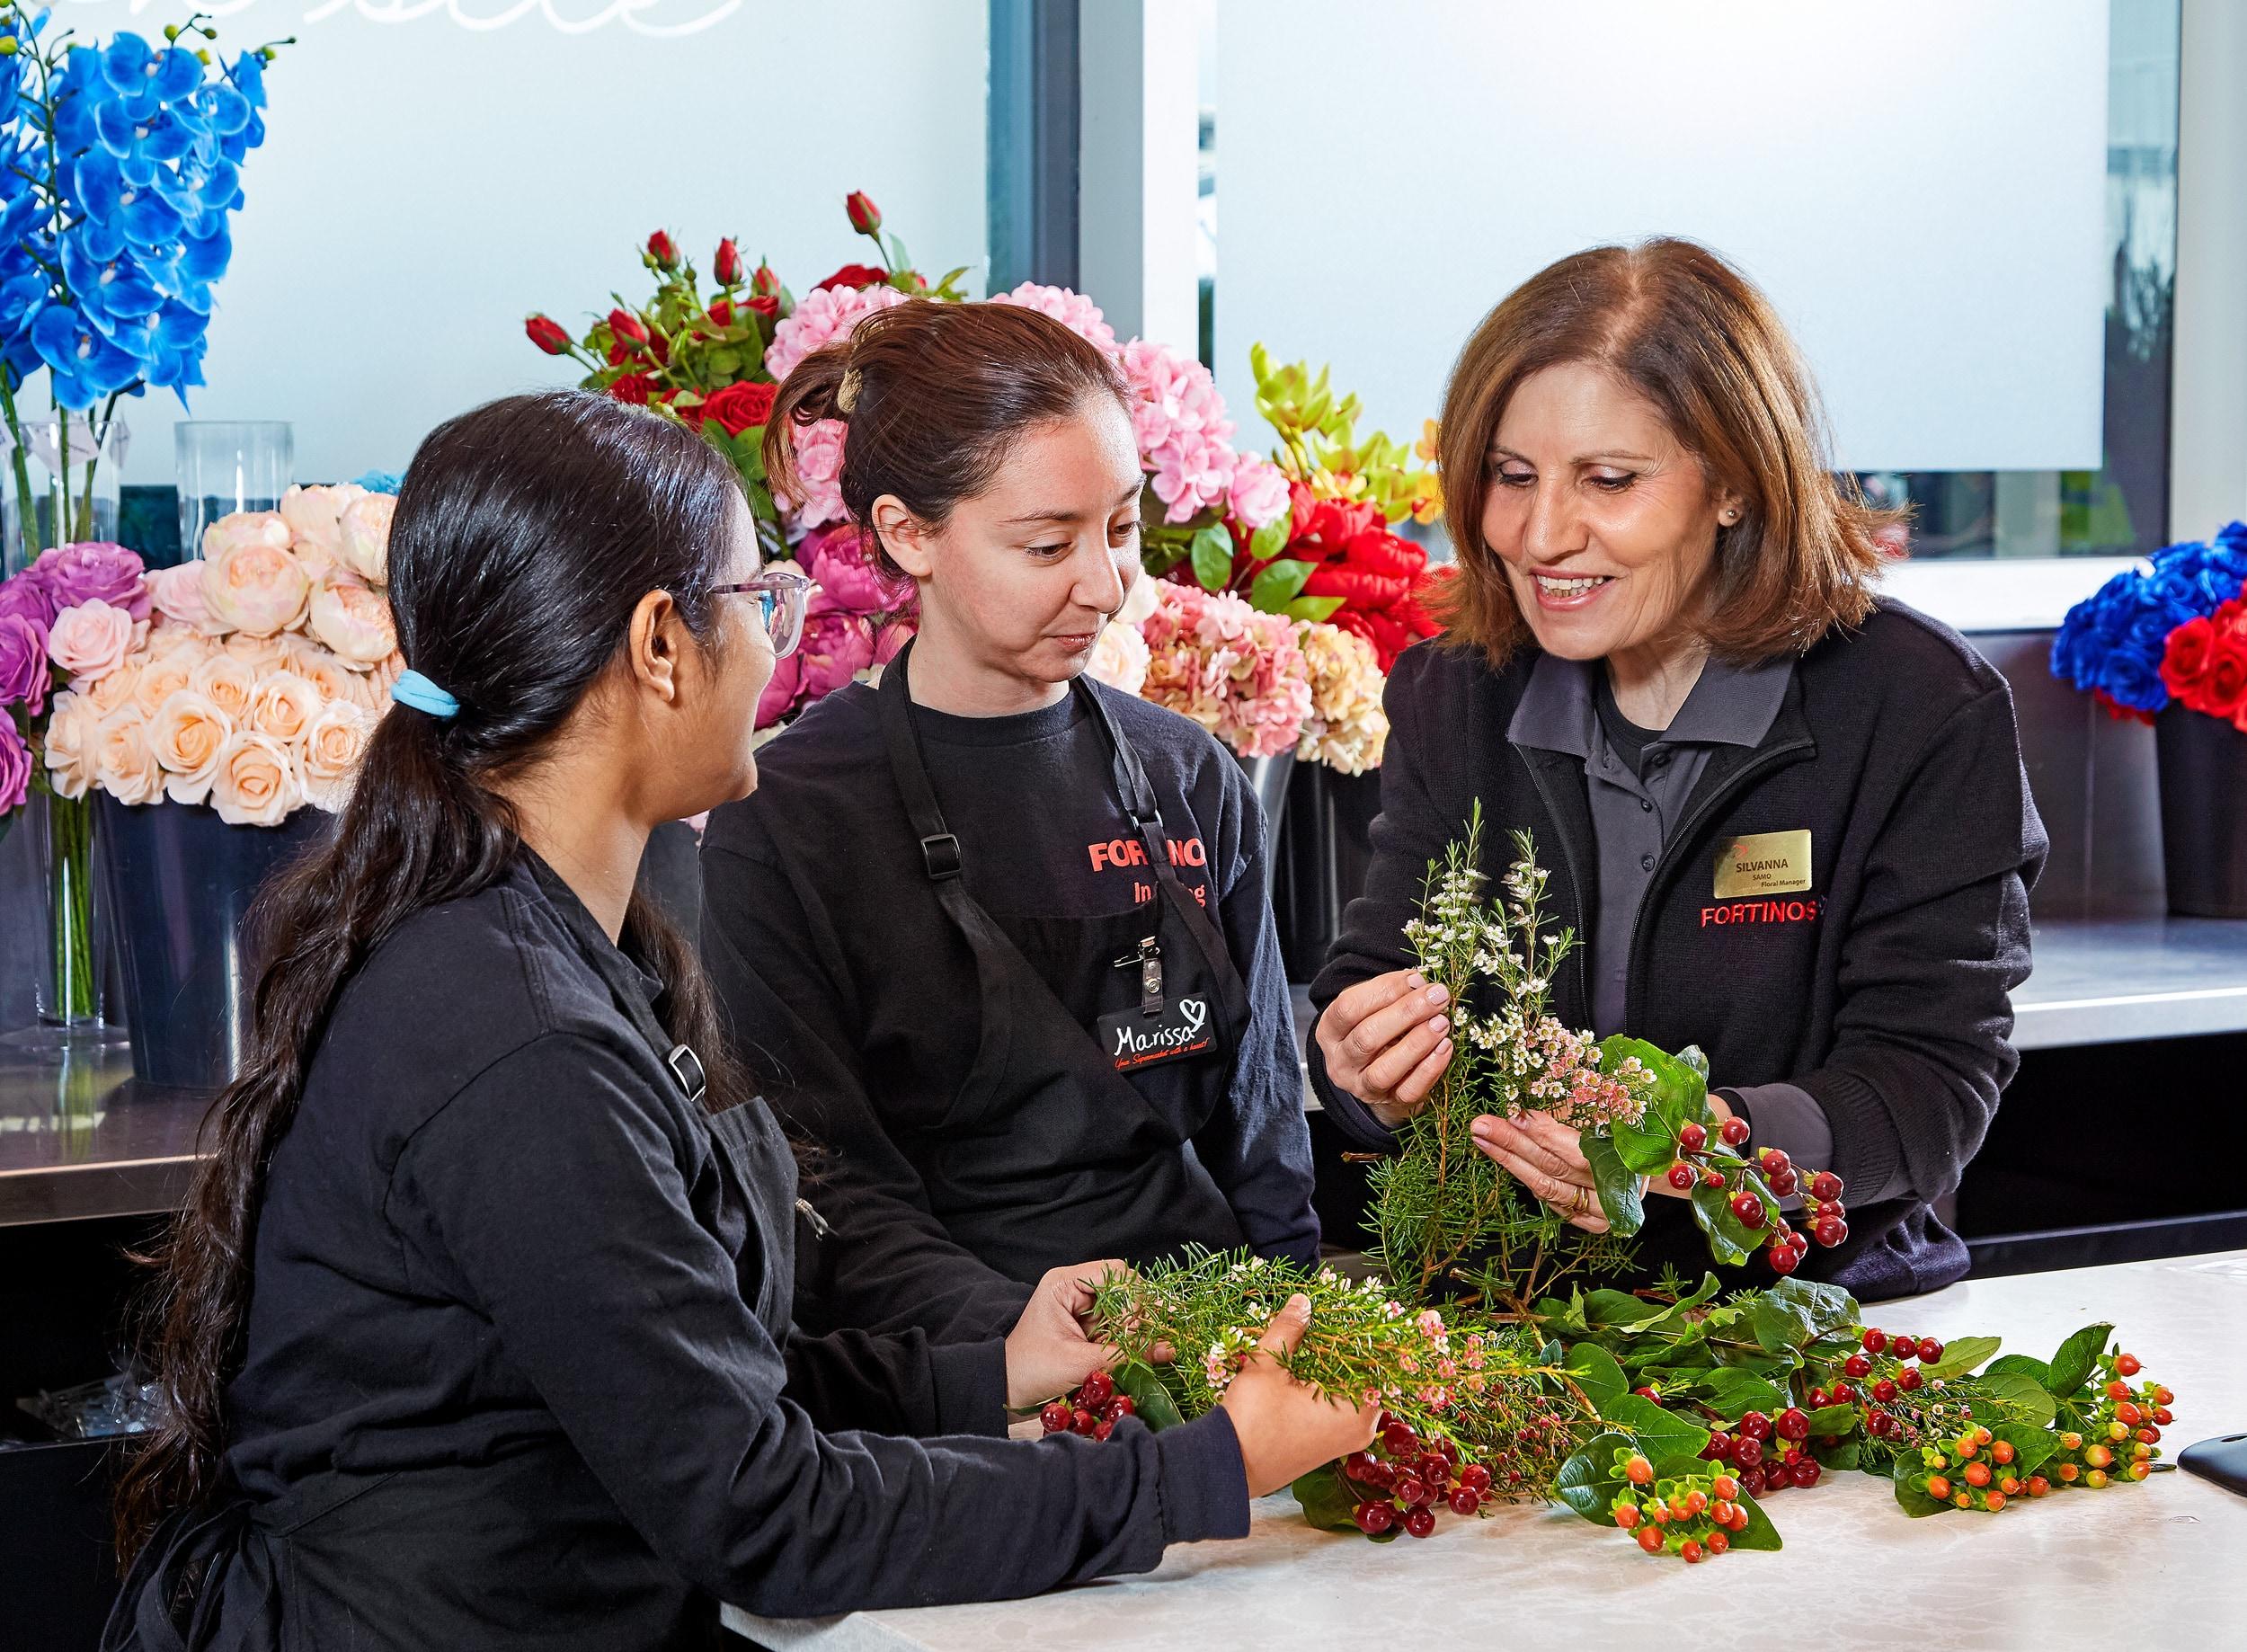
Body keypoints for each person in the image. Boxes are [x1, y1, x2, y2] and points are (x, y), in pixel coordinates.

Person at [105, 391, 1372, 1651]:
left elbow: (688, 1376)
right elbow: (771, 1514)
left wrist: (990, 1372)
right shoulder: (515, 1034)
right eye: (758, 605)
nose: (778, 647)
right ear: (662, 643)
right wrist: (1207, 1471)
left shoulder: (572, 948)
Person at [1309, 240, 2047, 1301]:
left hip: (1812, 1322)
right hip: (1512, 1305)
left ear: (1736, 486)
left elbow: (1927, 1091)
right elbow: (1376, 981)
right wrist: (1363, 1065)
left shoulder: (1920, 705)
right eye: (1511, 477)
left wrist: (1693, 1145)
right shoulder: (1455, 691)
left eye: (1609, 479)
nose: (1543, 534)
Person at [699, 301, 1318, 1345]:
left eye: (1121, 528)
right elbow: (832, 1193)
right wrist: (1040, 1359)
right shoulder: (789, 820)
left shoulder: (1191, 774)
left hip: (1220, 1337)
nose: (1106, 584)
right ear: (906, 533)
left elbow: (1258, 1121)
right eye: (1047, 545)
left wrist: (1296, 1337)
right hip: (964, 1383)